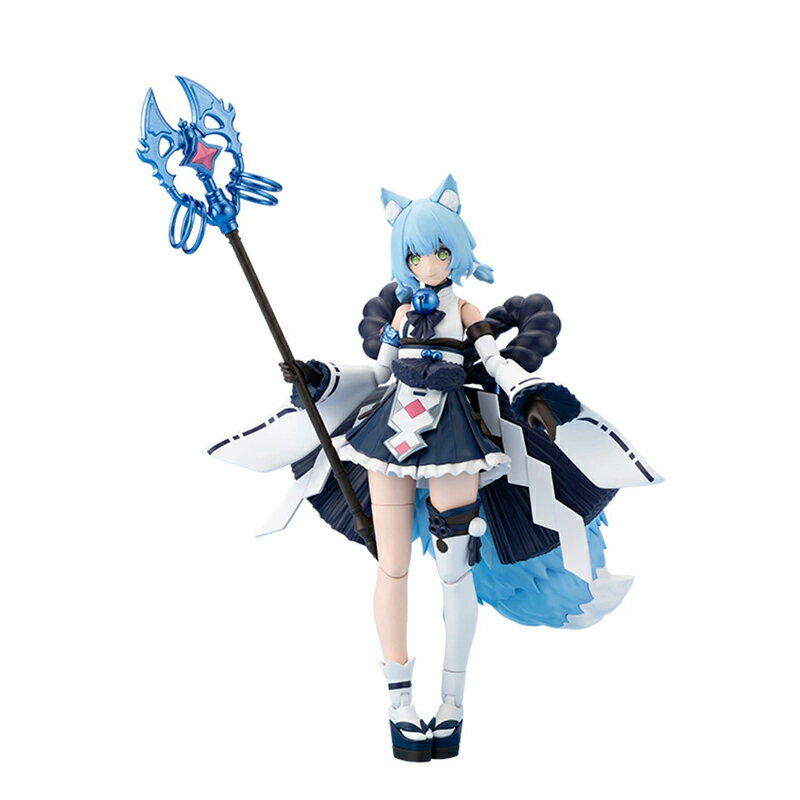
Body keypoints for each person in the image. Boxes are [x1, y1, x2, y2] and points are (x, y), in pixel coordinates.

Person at [210, 175, 662, 762]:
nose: (428, 264)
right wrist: (321, 378)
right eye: (416, 255)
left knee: (455, 573)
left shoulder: (465, 310)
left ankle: (452, 704)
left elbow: (497, 365)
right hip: (390, 436)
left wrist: (531, 393)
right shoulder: (400, 313)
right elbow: (378, 375)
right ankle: (399, 704)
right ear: (403, 259)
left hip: (453, 438)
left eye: (440, 251)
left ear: (457, 251)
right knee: (392, 567)